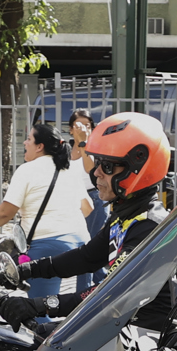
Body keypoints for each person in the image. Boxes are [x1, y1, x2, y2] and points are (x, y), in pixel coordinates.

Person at [0, 111, 173, 332]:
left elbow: (109, 292)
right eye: (98, 163)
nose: (97, 172)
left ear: (138, 170)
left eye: (108, 166)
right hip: (120, 324)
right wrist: (25, 270)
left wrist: (40, 305)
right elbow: (86, 257)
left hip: (140, 336)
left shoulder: (149, 226)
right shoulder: (127, 216)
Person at [0, 122, 92, 317]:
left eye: (28, 139)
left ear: (39, 146)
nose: (25, 143)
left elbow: (5, 212)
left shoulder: (27, 170)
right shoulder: (67, 169)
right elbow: (87, 208)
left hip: (48, 248)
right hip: (83, 244)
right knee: (81, 313)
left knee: (41, 311)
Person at [69, 109, 110, 294]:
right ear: (70, 129)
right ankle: (105, 289)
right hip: (73, 202)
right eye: (79, 125)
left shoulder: (93, 147)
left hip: (94, 199)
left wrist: (84, 141)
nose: (84, 128)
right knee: (88, 250)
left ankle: (83, 295)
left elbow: (90, 170)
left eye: (88, 125)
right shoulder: (65, 150)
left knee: (86, 248)